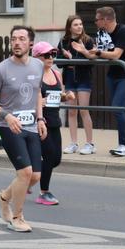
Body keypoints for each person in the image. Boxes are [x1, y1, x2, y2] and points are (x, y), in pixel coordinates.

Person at [0, 25, 47, 232]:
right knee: (25, 173)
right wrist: (7, 115)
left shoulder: (38, 66)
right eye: (13, 39)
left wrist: (40, 119)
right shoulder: (1, 69)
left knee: (36, 176)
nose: (16, 43)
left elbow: (38, 93)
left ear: (30, 43)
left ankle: (3, 197)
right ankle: (17, 218)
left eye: (21, 39)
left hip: (30, 125)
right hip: (8, 126)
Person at [88, 6, 125, 157]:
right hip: (113, 75)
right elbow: (97, 54)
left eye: (97, 19)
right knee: (121, 109)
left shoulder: (124, 31)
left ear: (105, 19)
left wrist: (97, 52)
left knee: (118, 108)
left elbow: (115, 55)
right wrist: (85, 51)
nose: (95, 22)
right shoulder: (102, 33)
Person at [32, 41, 75, 205]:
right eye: (46, 55)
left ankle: (30, 175)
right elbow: (24, 98)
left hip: (55, 121)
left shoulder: (57, 74)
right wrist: (36, 103)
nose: (50, 58)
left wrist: (66, 96)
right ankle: (44, 193)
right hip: (40, 121)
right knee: (49, 155)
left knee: (56, 159)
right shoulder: (33, 76)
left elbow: (58, 95)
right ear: (36, 57)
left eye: (53, 54)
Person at [57, 15, 96, 155]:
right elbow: (59, 63)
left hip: (84, 79)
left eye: (80, 24)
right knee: (72, 112)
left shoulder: (88, 40)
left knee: (84, 110)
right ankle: (73, 143)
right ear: (69, 27)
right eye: (76, 25)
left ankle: (90, 144)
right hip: (69, 79)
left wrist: (75, 56)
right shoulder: (63, 42)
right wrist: (67, 58)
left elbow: (91, 60)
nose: (79, 27)